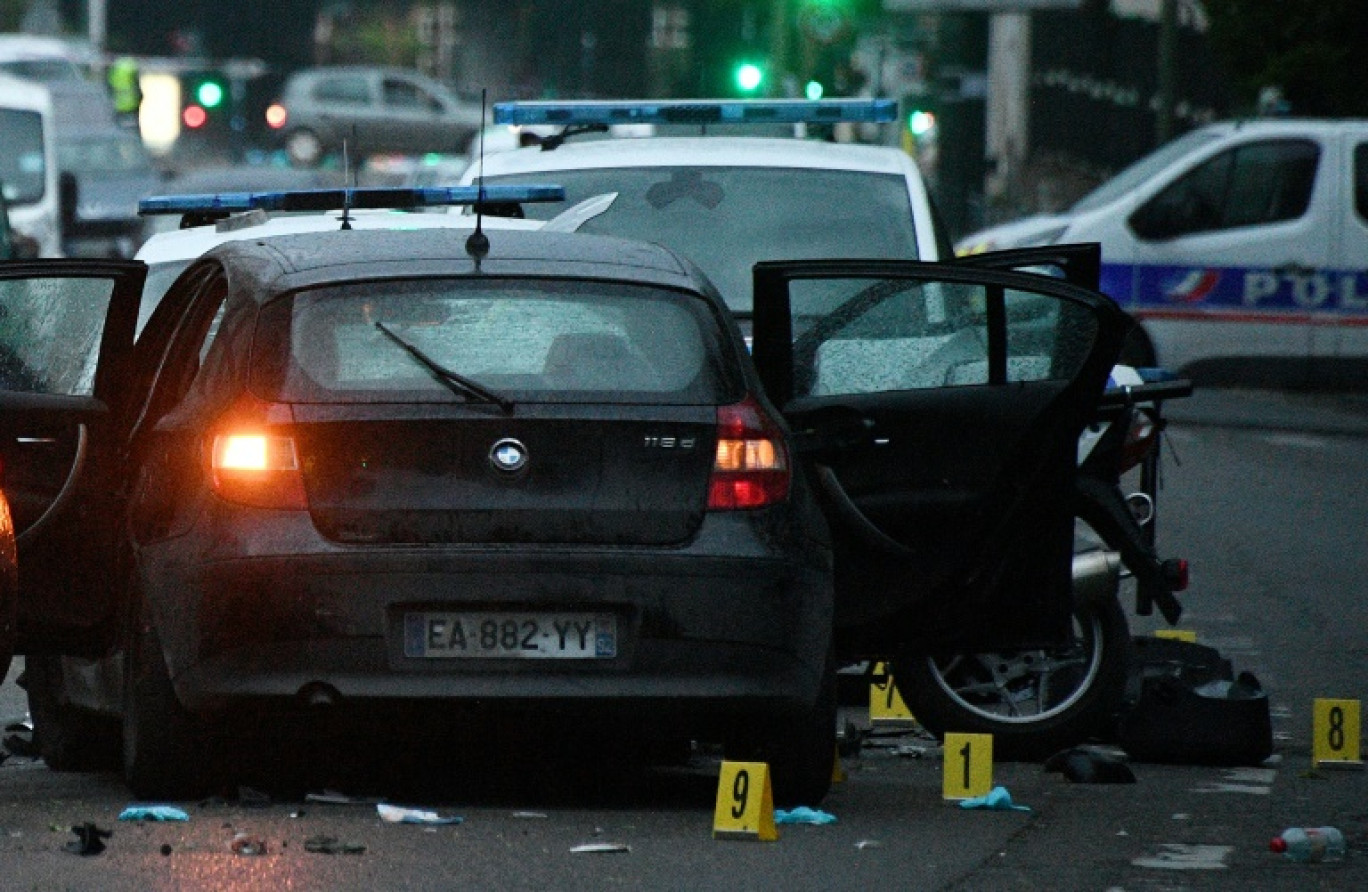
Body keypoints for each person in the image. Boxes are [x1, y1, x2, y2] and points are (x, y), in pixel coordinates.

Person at [107, 56, 142, 129]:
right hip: (132, 102)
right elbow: (137, 82)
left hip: (120, 102)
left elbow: (110, 81)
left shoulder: (117, 65)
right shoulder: (132, 65)